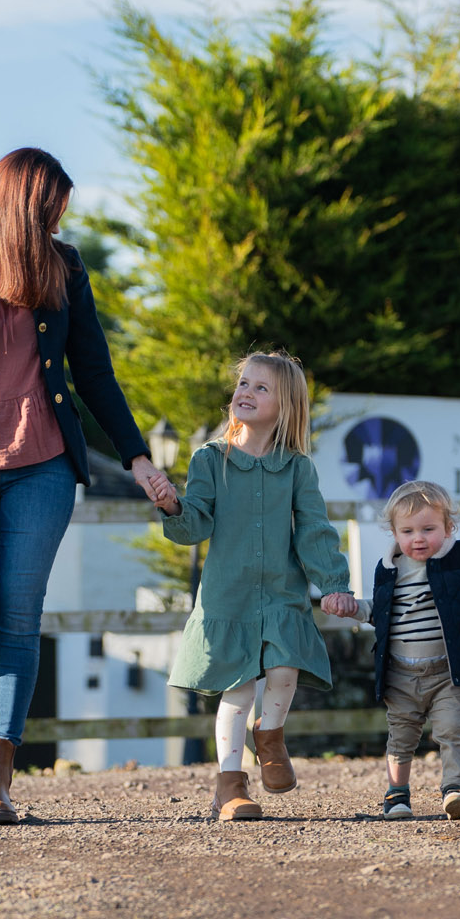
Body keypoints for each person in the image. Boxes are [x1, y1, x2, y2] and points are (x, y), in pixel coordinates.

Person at [0, 148, 174, 825]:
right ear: (25, 202)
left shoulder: (65, 266)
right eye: (52, 208)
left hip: (44, 465)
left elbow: (94, 372)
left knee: (17, 619)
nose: (60, 220)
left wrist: (137, 456)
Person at [155, 351, 356, 821]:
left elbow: (314, 530)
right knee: (239, 689)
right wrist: (171, 507)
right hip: (230, 596)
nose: (244, 392)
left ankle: (271, 735)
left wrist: (333, 583)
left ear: (284, 405)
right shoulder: (210, 459)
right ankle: (230, 785)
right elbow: (196, 523)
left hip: (282, 594)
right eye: (243, 384)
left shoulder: (297, 467)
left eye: (260, 387)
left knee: (285, 668)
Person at [326, 480, 460, 820]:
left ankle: (456, 790)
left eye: (428, 528)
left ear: (448, 527)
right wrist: (352, 608)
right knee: (401, 736)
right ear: (394, 533)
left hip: (447, 671)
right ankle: (397, 795)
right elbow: (379, 613)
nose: (418, 538)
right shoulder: (390, 569)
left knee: (452, 730)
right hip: (400, 673)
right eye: (407, 531)